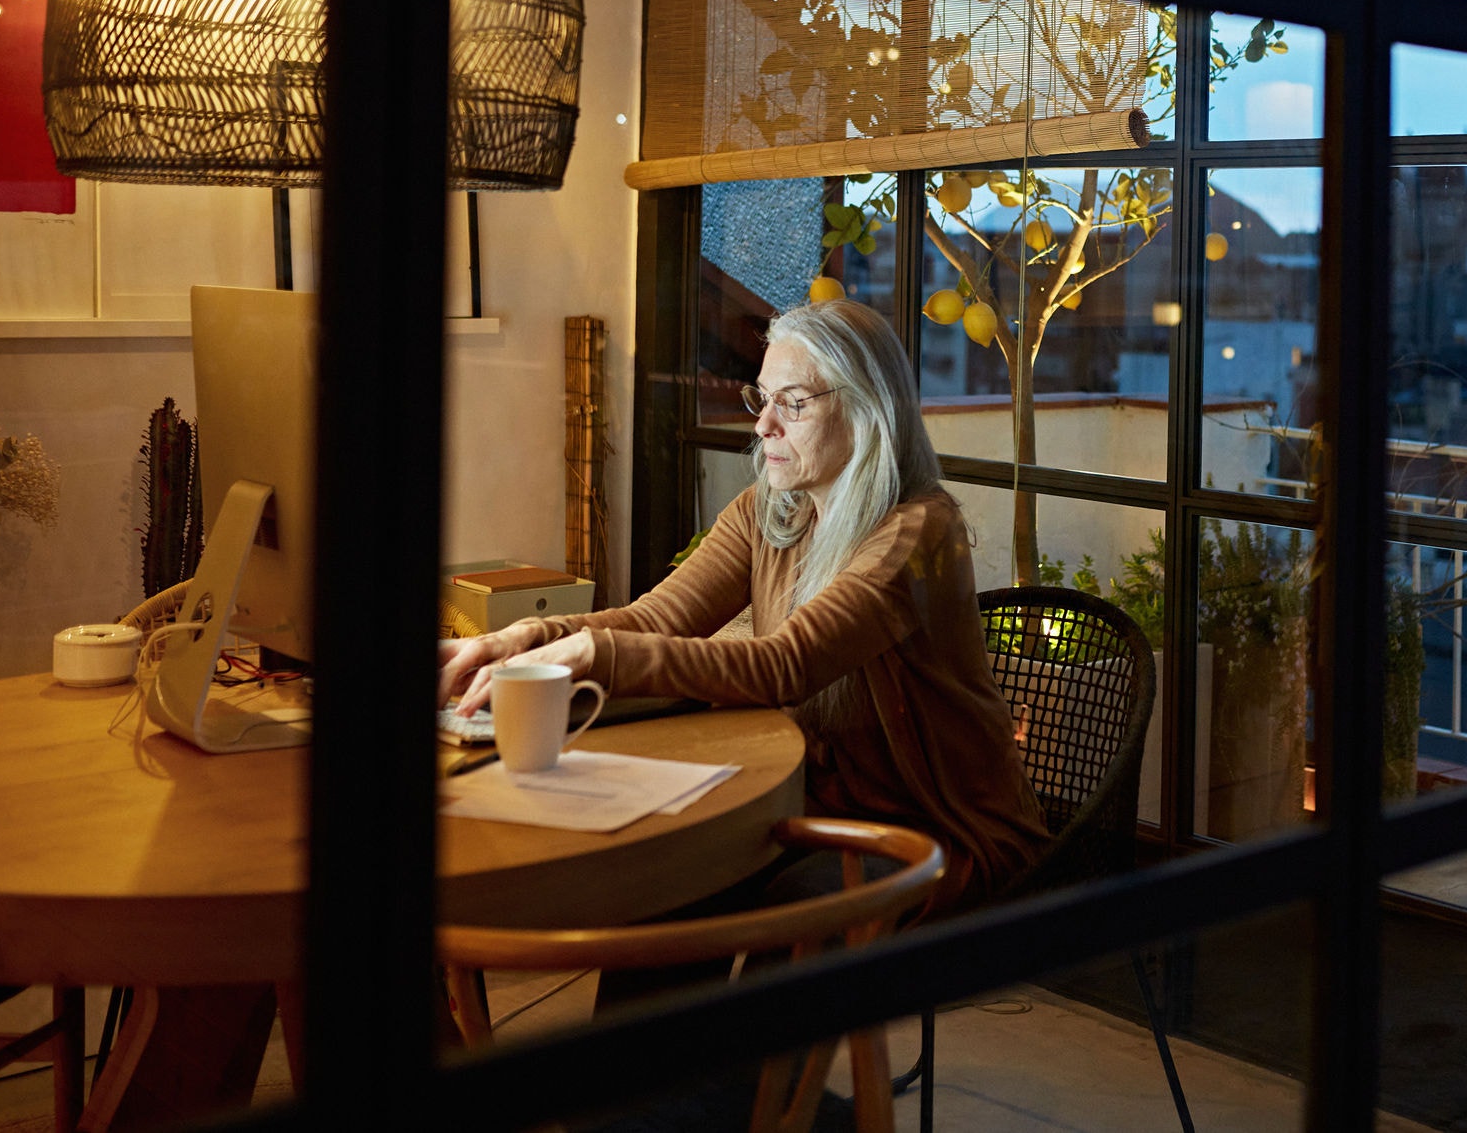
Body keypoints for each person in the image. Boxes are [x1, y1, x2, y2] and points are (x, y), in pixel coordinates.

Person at [437, 298, 1051, 916]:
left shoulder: (919, 531)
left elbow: (784, 665)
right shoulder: (770, 508)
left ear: (869, 411)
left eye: (795, 402)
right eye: (763, 399)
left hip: (935, 835)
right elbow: (657, 619)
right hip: (809, 801)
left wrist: (591, 652)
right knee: (670, 883)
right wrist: (523, 640)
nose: (763, 427)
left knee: (778, 920)